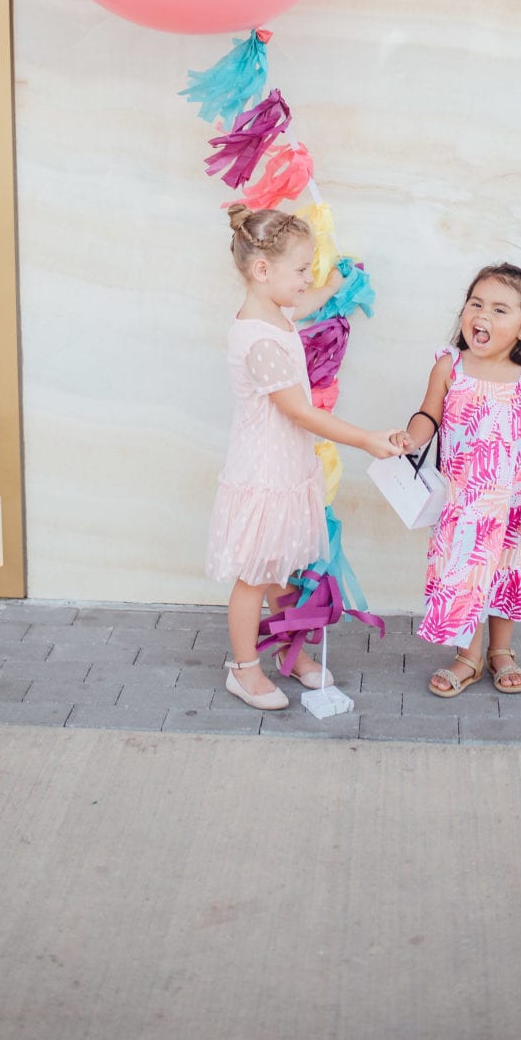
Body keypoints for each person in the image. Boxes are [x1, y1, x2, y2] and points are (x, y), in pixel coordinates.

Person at [207, 204, 402, 710]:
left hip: (288, 469)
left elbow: (307, 300)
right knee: (255, 577)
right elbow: (301, 412)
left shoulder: (275, 310)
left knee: (284, 566)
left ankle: (287, 650)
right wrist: (365, 439)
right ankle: (243, 668)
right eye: (300, 269)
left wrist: (337, 284)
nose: (306, 278)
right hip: (265, 472)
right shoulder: (258, 341)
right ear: (262, 270)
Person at [395, 263, 521, 697]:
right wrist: (412, 435)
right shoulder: (450, 367)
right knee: (463, 575)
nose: (482, 315)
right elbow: (430, 413)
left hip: (510, 505)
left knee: (504, 573)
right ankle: (468, 656)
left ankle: (501, 652)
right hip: (461, 501)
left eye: (499, 310)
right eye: (476, 303)